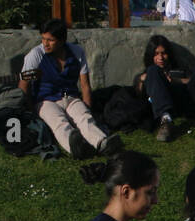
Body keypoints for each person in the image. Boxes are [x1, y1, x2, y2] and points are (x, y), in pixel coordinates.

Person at [18, 19, 120, 160]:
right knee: (59, 122)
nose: (45, 44)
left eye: (50, 40)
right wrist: (31, 111)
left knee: (84, 116)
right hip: (45, 100)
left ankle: (102, 143)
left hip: (70, 97)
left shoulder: (76, 52)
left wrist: (87, 107)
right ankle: (75, 148)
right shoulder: (35, 55)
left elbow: (85, 85)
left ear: (62, 40)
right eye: (43, 39)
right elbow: (24, 85)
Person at [136, 34, 195, 142]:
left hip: (189, 100)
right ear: (151, 55)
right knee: (153, 70)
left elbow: (194, 80)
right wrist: (142, 79)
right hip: (168, 106)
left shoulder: (178, 68)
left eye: (163, 53)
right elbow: (138, 92)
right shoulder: (151, 72)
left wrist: (176, 80)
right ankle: (166, 121)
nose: (160, 58)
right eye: (156, 54)